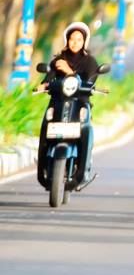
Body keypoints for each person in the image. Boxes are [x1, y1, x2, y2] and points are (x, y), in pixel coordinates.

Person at [37, 22, 100, 190]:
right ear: (67, 40)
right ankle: (42, 161)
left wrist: (69, 72)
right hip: (58, 102)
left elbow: (91, 80)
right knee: (45, 126)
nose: (75, 42)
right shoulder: (58, 60)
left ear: (84, 41)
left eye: (79, 39)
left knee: (86, 129)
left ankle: (83, 164)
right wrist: (43, 85)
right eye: (72, 39)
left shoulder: (90, 61)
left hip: (80, 104)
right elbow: (49, 76)